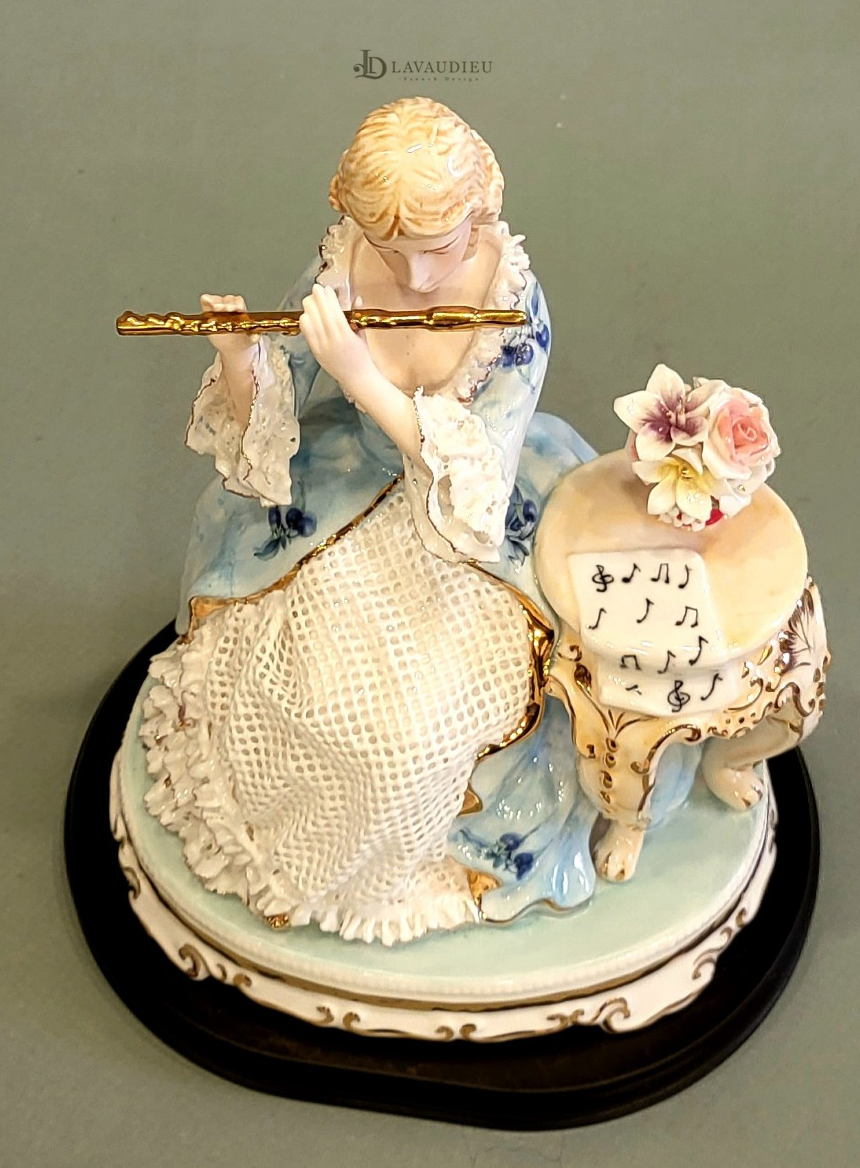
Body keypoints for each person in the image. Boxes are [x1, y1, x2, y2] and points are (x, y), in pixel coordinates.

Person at [140, 97, 597, 945]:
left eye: (439, 250)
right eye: (393, 252)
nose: (416, 279)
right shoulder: (341, 267)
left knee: (414, 731)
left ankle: (405, 854)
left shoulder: (514, 303)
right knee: (289, 685)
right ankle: (289, 845)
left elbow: (476, 472)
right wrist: (241, 357)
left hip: (459, 526)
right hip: (342, 491)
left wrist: (361, 374)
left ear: (481, 211)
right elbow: (280, 398)